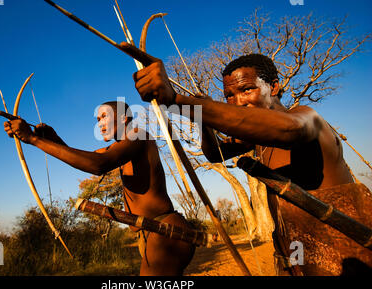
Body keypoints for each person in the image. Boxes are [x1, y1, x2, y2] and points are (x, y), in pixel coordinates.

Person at [127, 48, 372, 276]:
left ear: (274, 87)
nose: (238, 102)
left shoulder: (306, 118)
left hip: (347, 259)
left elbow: (289, 131)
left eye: (247, 90)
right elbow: (216, 154)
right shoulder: (256, 140)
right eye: (229, 96)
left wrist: (180, 100)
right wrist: (202, 119)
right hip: (294, 260)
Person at [3, 100, 195, 275]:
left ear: (123, 117)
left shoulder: (138, 135)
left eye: (104, 116)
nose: (100, 123)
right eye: (97, 119)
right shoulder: (120, 147)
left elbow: (98, 164)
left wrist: (34, 140)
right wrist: (52, 139)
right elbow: (87, 159)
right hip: (150, 232)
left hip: (164, 231)